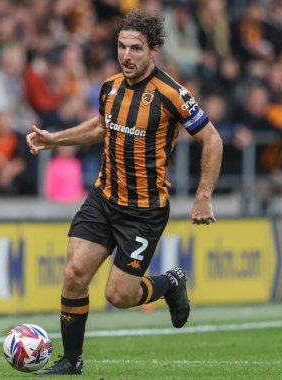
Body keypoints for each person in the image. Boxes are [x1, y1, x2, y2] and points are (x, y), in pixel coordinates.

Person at [26, 8, 223, 376]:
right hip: (103, 198)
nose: (126, 56)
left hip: (143, 211)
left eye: (135, 48)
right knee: (74, 274)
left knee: (119, 296)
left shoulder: (172, 94)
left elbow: (212, 140)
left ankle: (171, 283)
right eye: (121, 47)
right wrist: (55, 139)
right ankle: (72, 361)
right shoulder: (110, 87)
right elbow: (103, 127)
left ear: (154, 51)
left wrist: (203, 195)